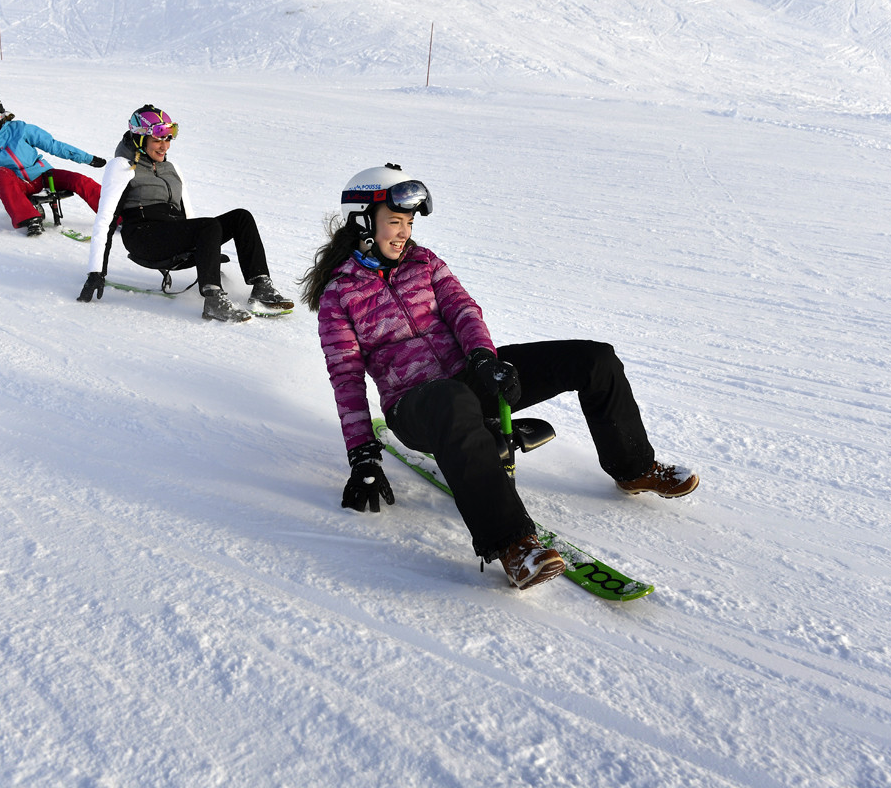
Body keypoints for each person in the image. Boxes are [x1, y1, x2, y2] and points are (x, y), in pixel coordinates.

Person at [300, 164, 700, 591]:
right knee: (451, 400)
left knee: (593, 359)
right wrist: (362, 455)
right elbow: (345, 378)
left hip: (469, 379)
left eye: (409, 222)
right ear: (363, 223)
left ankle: (634, 467)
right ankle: (513, 546)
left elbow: (463, 310)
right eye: (394, 222)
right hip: (418, 406)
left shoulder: (424, 261)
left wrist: (483, 359)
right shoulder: (339, 295)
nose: (404, 232)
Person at [76, 104, 293, 322]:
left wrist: (204, 253)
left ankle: (261, 287)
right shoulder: (122, 167)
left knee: (240, 217)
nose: (164, 146)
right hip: (144, 238)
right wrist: (96, 272)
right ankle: (213, 301)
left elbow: (188, 218)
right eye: (158, 140)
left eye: (168, 139)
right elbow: (106, 220)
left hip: (171, 232)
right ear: (140, 140)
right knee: (208, 225)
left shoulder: (171, 169)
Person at [0, 93, 104, 236]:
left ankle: (116, 216)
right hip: (20, 185)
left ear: (1, 116)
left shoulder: (21, 129)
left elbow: (54, 145)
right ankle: (30, 219)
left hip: (45, 176)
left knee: (79, 180)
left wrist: (88, 158)